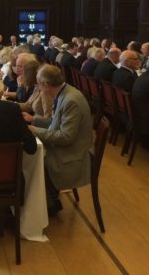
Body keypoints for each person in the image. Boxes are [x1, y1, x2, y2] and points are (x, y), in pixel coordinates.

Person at [28, 65, 92, 217]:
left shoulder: (71, 100)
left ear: (46, 85)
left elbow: (66, 137)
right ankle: (48, 200)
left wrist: (35, 130)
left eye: (39, 84)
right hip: (67, 148)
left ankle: (47, 204)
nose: (38, 87)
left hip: (72, 156)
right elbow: (55, 122)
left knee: (31, 161)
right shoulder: (65, 92)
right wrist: (34, 120)